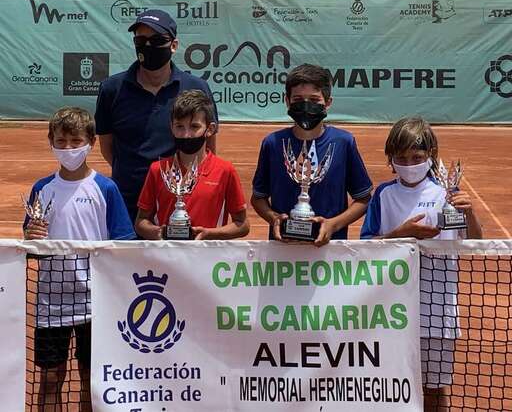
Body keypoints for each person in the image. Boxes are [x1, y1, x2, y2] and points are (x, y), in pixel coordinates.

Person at [360, 116, 483, 411]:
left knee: (434, 390)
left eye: (416, 157)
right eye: (401, 158)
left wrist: (470, 213)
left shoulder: (448, 194)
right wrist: (401, 235)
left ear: (431, 155)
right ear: (391, 159)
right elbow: (366, 248)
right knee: (388, 387)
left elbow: (475, 243)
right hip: (390, 313)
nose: (409, 164)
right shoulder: (383, 195)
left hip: (437, 313)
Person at [23, 107, 135, 412]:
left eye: (76, 141)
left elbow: (123, 243)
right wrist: (31, 238)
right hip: (51, 301)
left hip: (94, 300)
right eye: (61, 141)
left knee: (90, 376)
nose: (68, 148)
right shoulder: (42, 189)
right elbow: (30, 245)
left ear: (91, 142)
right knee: (49, 379)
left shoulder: (106, 188)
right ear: (51, 142)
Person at [95, 9, 217, 222]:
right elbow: (107, 147)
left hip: (180, 200)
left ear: (174, 45)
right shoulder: (111, 89)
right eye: (141, 40)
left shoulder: (197, 87)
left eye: (157, 40)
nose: (148, 45)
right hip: (128, 200)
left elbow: (208, 147)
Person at [251, 63, 372, 247]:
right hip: (282, 252)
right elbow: (258, 198)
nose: (306, 106)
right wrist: (274, 219)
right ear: (287, 101)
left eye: (314, 100)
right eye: (298, 99)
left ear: (328, 102)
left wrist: (332, 225)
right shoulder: (272, 143)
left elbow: (363, 198)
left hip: (330, 251)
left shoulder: (343, 142)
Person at [135, 89, 249, 241]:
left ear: (210, 129)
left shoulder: (225, 171)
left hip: (207, 254)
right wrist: (159, 232)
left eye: (194, 127)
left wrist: (210, 234)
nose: (186, 134)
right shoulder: (158, 170)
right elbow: (141, 221)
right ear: (171, 127)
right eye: (179, 126)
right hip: (166, 254)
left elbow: (242, 224)